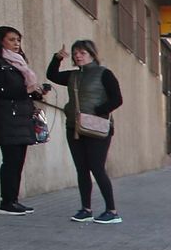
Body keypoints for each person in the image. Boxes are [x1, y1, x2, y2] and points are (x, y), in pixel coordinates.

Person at [46, 39, 123, 224]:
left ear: (91, 54)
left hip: (97, 127)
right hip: (75, 127)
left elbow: (117, 99)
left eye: (82, 52)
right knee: (82, 169)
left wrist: (98, 111)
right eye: (75, 53)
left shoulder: (105, 74)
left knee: (97, 168)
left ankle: (112, 211)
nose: (78, 56)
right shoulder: (73, 76)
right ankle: (86, 209)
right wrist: (57, 58)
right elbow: (52, 75)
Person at [0, 25, 53, 216]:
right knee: (11, 161)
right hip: (6, 117)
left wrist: (37, 92)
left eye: (18, 40)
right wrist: (25, 91)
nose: (16, 44)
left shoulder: (18, 63)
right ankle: (7, 202)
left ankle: (14, 200)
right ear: (0, 40)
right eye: (12, 39)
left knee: (18, 161)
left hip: (22, 116)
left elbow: (21, 90)